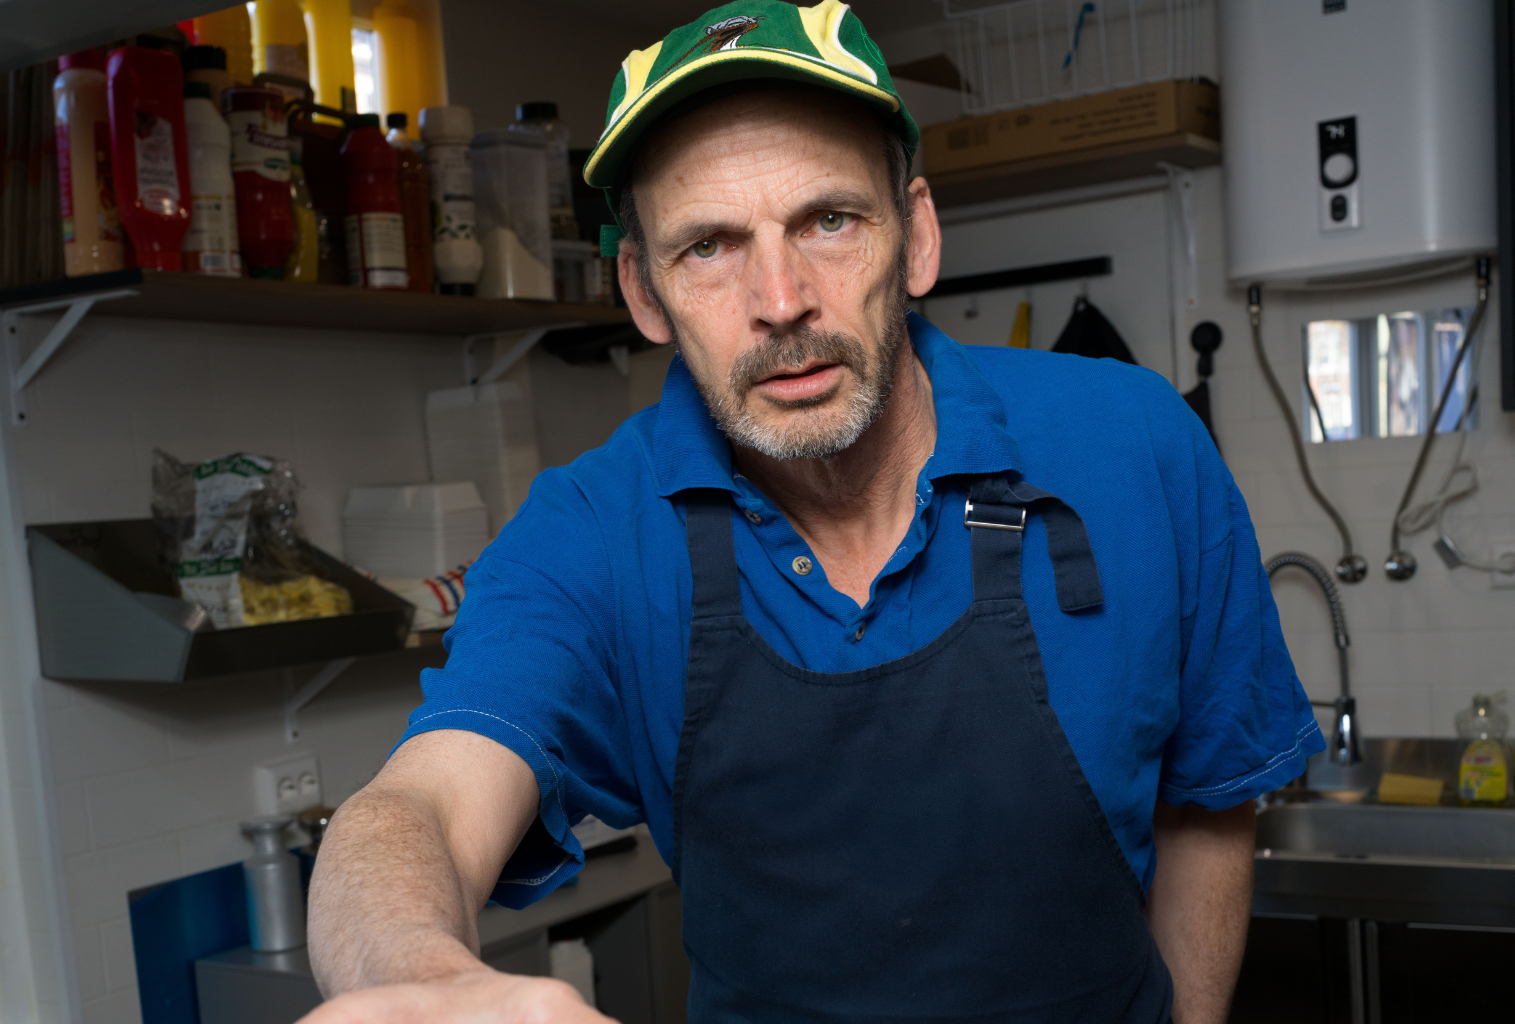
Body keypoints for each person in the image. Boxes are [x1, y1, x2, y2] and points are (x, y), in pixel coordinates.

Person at [303, 3, 1322, 1022]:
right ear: (644, 292)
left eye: (828, 221)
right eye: (709, 246)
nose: (781, 298)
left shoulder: (1135, 447)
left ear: (916, 237)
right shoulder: (593, 534)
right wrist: (420, 971)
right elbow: (422, 803)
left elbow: (1208, 801)